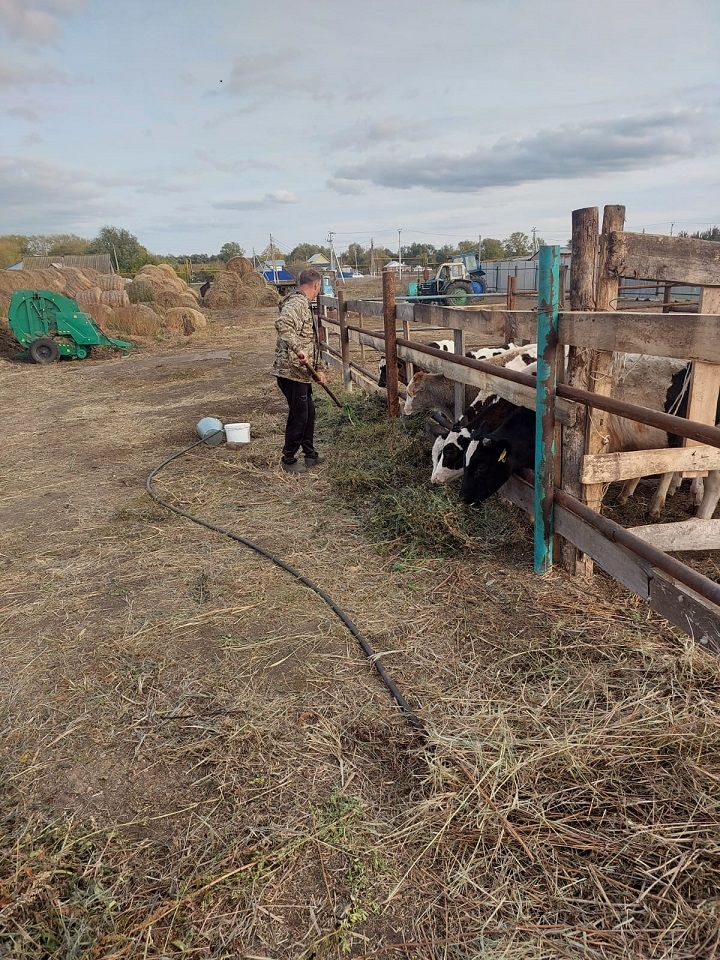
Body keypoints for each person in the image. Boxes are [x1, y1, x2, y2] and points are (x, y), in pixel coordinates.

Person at [272, 268, 327, 474]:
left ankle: (310, 454)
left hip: (301, 373)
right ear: (316, 286)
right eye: (319, 288)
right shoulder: (297, 303)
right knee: (300, 415)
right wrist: (298, 348)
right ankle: (288, 458)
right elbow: (283, 323)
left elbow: (311, 342)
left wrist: (319, 370)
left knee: (309, 412)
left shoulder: (304, 304)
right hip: (291, 372)